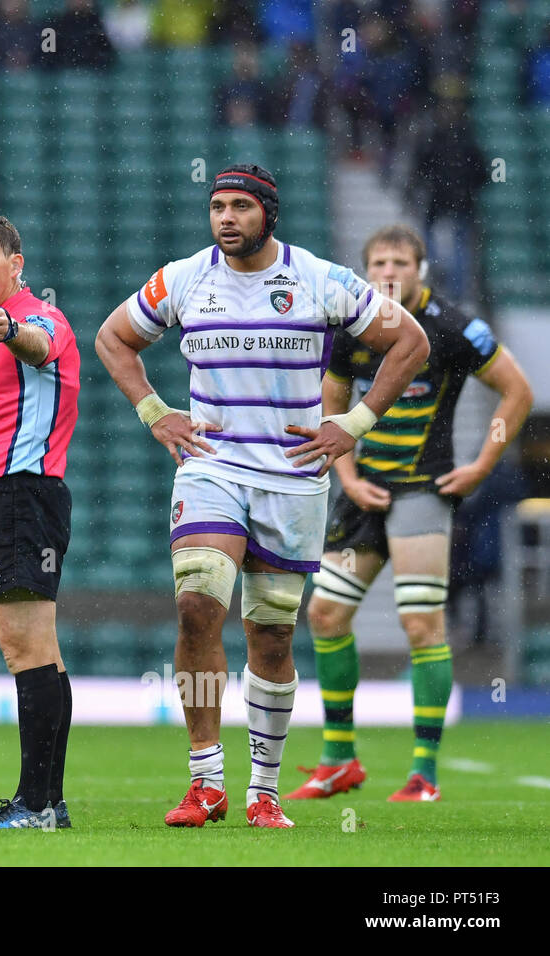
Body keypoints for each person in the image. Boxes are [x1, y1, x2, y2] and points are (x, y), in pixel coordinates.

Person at [94, 164, 430, 829]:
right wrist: (155, 411)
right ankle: (206, 780)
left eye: (240, 207)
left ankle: (264, 791)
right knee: (196, 605)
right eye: (217, 206)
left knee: (272, 639)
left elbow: (409, 343)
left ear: (267, 215)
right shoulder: (183, 278)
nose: (225, 218)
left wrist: (353, 423)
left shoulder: (322, 279)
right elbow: (113, 337)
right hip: (210, 469)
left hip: (294, 479)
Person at [289, 224, 532, 802]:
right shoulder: (354, 323)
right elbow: (334, 393)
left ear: (421, 270)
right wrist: (345, 471)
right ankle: (338, 760)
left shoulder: (452, 326)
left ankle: (424, 773)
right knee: (324, 613)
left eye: (400, 261)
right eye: (378, 263)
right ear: (366, 269)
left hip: (423, 488)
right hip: (365, 492)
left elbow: (517, 391)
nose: (388, 272)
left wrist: (481, 464)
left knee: (421, 624)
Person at [0, 213, 80, 829]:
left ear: (15, 263)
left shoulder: (36, 317)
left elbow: (38, 343)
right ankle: (48, 803)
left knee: (26, 647)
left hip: (23, 497)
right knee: (40, 653)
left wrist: (9, 331)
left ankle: (35, 804)